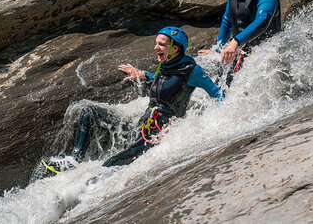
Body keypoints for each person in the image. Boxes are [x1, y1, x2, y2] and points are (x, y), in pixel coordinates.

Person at [44, 26, 223, 172]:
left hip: (156, 135)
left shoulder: (192, 70)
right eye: (156, 43)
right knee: (89, 111)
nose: (155, 48)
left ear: (175, 49)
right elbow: (163, 80)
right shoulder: (166, 64)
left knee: (111, 163)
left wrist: (221, 119)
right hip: (142, 126)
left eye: (161, 44)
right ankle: (74, 160)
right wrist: (142, 74)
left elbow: (216, 93)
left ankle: (84, 188)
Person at [198, 0, 281, 86]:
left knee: (229, 88)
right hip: (240, 47)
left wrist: (236, 42)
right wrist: (218, 49)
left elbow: (263, 21)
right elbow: (227, 20)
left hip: (265, 50)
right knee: (220, 84)